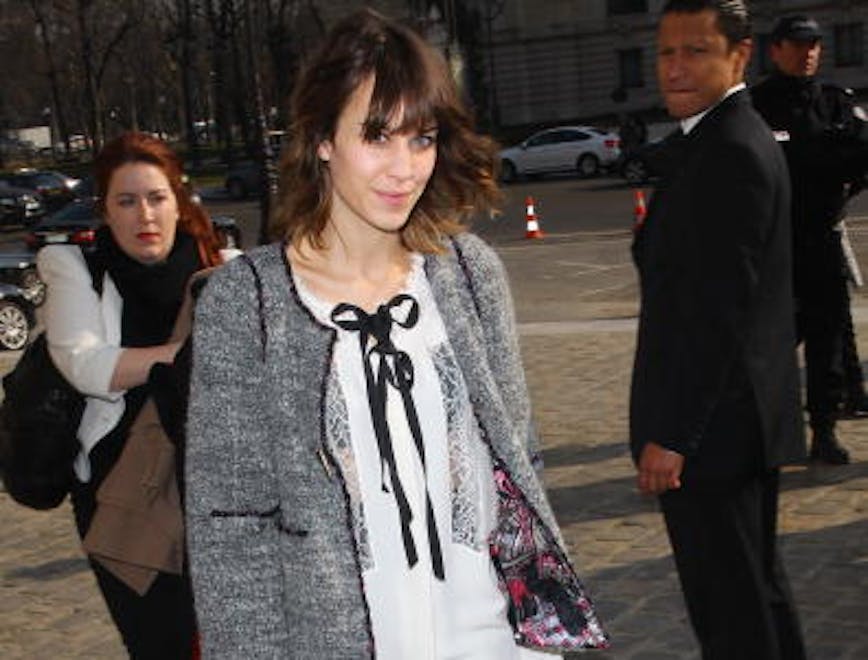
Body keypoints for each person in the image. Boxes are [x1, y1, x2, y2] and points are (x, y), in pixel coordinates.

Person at [185, 9, 608, 658]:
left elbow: (520, 461)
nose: (404, 168)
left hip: (491, 637)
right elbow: (231, 529)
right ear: (322, 137)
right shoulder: (247, 304)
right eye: (377, 136)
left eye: (422, 138)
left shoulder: (469, 276)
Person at [629, 1, 807, 658]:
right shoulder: (721, 137)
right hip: (734, 422)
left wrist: (673, 437)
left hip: (713, 433)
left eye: (695, 51)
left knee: (731, 612)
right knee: (756, 593)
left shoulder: (729, 149)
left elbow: (718, 315)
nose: (674, 68)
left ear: (740, 55)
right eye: (666, 52)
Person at [37, 131, 223, 658]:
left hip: (213, 486)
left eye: (156, 197)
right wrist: (189, 352)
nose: (145, 214)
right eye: (127, 200)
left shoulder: (223, 265)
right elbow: (85, 364)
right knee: (161, 644)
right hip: (120, 492)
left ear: (178, 201)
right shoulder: (74, 268)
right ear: (106, 211)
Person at [751, 14, 868, 464]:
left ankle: (824, 430)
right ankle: (769, 429)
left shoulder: (834, 101)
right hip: (774, 248)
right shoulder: (757, 106)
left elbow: (860, 152)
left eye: (815, 45)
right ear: (775, 49)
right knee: (771, 346)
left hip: (820, 241)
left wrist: (840, 184)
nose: (809, 53)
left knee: (827, 343)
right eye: (799, 45)